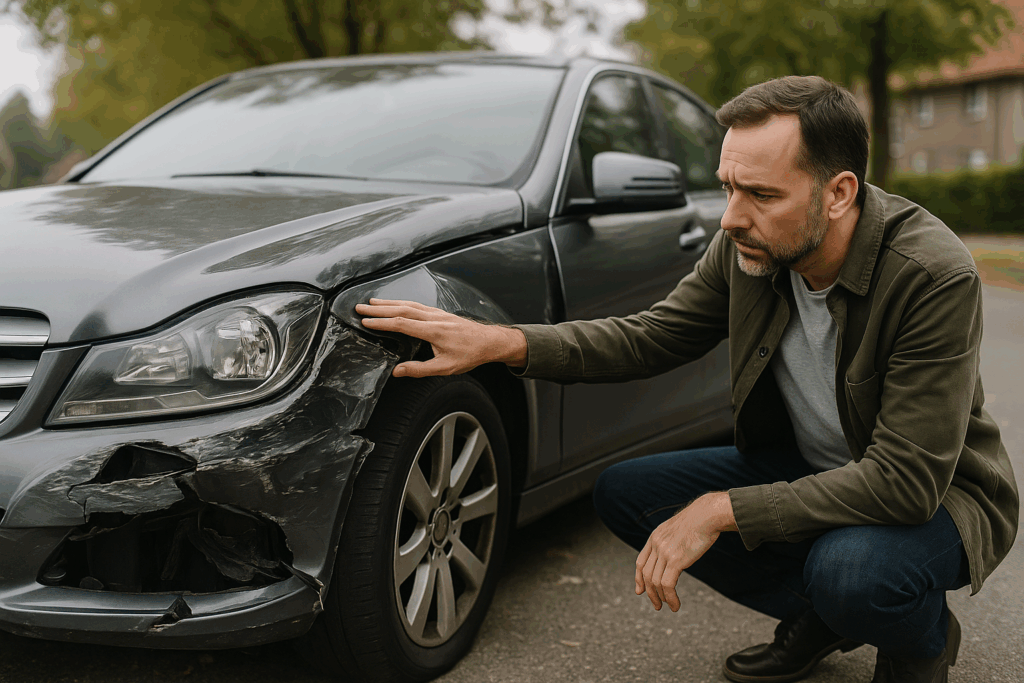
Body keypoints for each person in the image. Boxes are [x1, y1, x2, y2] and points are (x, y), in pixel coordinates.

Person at [356, 75, 1018, 683]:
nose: (730, 217)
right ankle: (831, 616)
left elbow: (903, 482)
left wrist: (721, 509)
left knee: (852, 572)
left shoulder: (931, 275)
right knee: (628, 494)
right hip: (809, 463)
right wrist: (499, 341)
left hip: (938, 499)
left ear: (838, 192)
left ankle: (919, 637)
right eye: (728, 186)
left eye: (760, 194)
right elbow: (650, 336)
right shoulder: (747, 244)